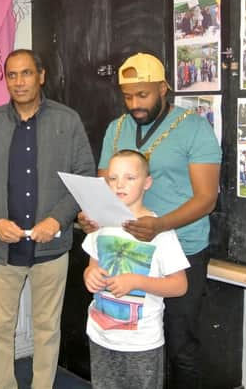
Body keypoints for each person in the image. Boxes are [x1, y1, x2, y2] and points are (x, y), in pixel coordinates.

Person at [79, 52, 221, 389]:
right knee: (126, 335)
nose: (135, 104)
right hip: (123, 249)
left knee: (179, 345)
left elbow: (206, 198)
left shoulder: (194, 127)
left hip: (179, 249)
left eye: (143, 95)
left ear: (163, 88)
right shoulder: (116, 129)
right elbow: (105, 190)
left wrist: (160, 225)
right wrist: (93, 218)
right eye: (128, 96)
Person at [0, 49, 96, 389]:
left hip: (50, 247)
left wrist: (57, 220)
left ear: (41, 76)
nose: (19, 82)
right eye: (12, 75)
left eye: (26, 74)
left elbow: (84, 175)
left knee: (47, 330)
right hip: (2, 248)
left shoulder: (67, 121)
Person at [83, 150, 189, 389]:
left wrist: (137, 281)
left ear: (147, 183)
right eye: (113, 178)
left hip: (141, 343)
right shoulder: (101, 225)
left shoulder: (159, 232)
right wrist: (89, 275)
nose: (120, 184)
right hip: (101, 335)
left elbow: (179, 285)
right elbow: (92, 267)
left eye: (130, 178)